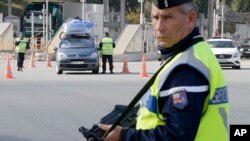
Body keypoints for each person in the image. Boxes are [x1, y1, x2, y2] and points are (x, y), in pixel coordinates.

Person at [98, 0, 229, 141]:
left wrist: (124, 136)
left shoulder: (184, 69)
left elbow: (176, 136)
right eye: (155, 18)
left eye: (168, 17)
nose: (159, 27)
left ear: (190, 19)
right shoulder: (196, 52)